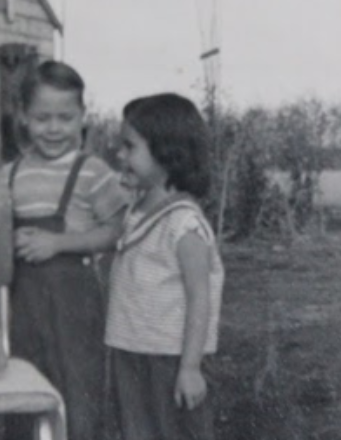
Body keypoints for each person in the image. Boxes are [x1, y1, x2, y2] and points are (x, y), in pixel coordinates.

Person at [0, 60, 127, 440]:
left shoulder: (94, 172)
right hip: (23, 302)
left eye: (65, 118)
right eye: (42, 118)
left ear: (82, 116)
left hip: (76, 304)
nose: (54, 129)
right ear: (23, 117)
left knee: (78, 386)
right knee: (22, 382)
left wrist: (59, 243)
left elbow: (116, 232)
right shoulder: (8, 174)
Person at [105, 93, 225, 440]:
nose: (120, 155)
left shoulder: (184, 224)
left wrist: (190, 367)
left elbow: (200, 298)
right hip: (131, 349)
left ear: (167, 153)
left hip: (169, 357)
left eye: (130, 147)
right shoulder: (138, 210)